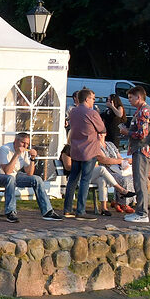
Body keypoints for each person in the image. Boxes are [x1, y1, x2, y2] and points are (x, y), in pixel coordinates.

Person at [0, 131, 62, 223]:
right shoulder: (4, 149)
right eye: (23, 143)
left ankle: (47, 211)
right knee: (10, 179)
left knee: (37, 179)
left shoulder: (24, 152)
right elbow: (7, 171)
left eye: (27, 144)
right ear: (16, 141)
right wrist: (16, 154)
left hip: (13, 176)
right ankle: (10, 212)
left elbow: (30, 173)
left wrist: (32, 158)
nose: (25, 146)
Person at [64, 89, 107, 220]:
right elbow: (102, 129)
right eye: (93, 99)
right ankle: (81, 210)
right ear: (87, 99)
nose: (94, 101)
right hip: (89, 150)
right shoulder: (91, 113)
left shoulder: (73, 112)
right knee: (85, 180)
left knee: (72, 180)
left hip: (75, 149)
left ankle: (67, 209)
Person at [124, 85, 150, 224]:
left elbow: (142, 134)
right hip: (148, 150)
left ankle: (142, 213)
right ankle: (140, 211)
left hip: (142, 150)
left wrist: (127, 132)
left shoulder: (144, 112)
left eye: (131, 98)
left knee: (140, 181)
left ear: (139, 97)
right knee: (140, 180)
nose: (129, 101)